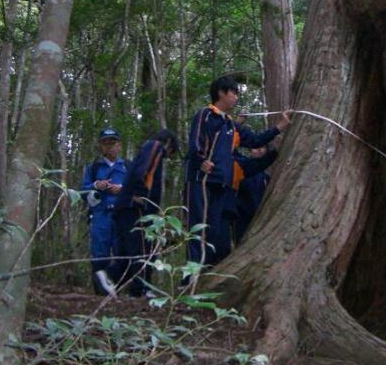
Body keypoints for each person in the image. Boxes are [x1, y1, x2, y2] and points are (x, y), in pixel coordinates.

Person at [185, 75, 291, 267]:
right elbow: (195, 141)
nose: (236, 97)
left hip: (221, 186)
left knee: (216, 233)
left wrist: (279, 128)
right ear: (221, 93)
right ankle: (191, 282)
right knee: (200, 229)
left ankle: (207, 276)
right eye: (233, 92)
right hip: (203, 181)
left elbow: (256, 141)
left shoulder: (231, 126)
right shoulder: (207, 115)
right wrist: (201, 160)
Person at [109, 129, 179, 297]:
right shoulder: (155, 147)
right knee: (141, 249)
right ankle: (140, 289)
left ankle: (108, 281)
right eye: (170, 152)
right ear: (168, 143)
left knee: (126, 251)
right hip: (135, 207)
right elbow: (145, 172)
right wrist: (141, 197)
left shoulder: (145, 149)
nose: (166, 156)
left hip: (125, 207)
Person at [81, 128, 126, 296]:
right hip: (100, 216)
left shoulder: (127, 167)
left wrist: (121, 189)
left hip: (121, 216)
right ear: (100, 146)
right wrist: (96, 186)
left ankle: (118, 290)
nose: (109, 147)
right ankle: (99, 293)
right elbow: (83, 193)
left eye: (113, 143)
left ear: (119, 145)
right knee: (100, 253)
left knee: (122, 252)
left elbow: (136, 189)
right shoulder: (93, 168)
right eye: (105, 143)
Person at [232, 146, 278, 244]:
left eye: (262, 147)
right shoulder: (241, 170)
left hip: (260, 214)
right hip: (242, 215)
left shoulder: (266, 177)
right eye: (255, 148)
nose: (259, 150)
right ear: (250, 150)